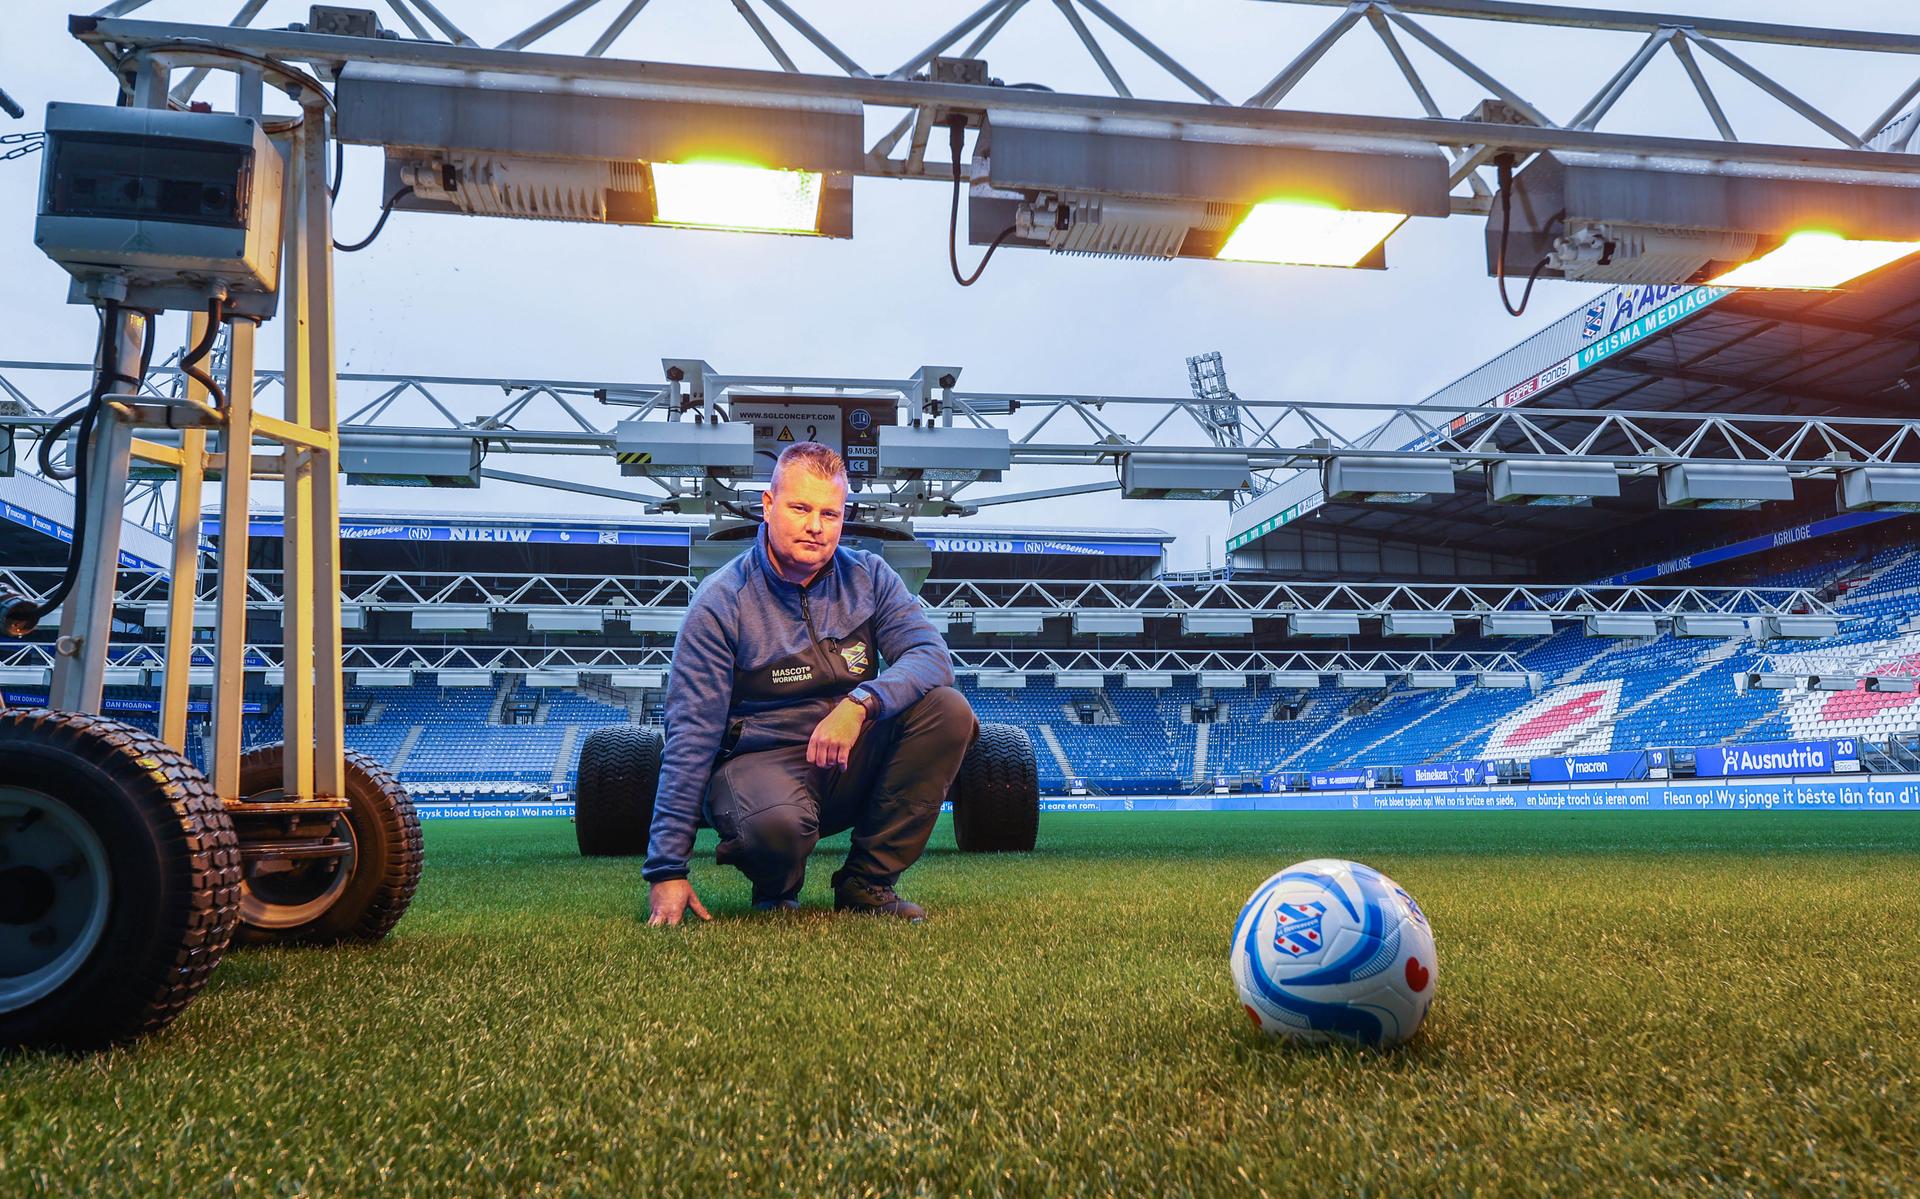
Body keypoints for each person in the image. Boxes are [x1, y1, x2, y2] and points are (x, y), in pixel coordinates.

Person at [643, 441, 977, 925]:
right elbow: (690, 738)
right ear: (768, 504)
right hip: (762, 767)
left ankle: (867, 883)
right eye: (801, 508)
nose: (817, 527)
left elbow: (931, 657)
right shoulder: (720, 602)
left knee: (948, 711)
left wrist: (861, 703)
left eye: (831, 513)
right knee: (774, 825)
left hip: (847, 756)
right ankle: (776, 888)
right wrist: (666, 870)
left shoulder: (870, 577)